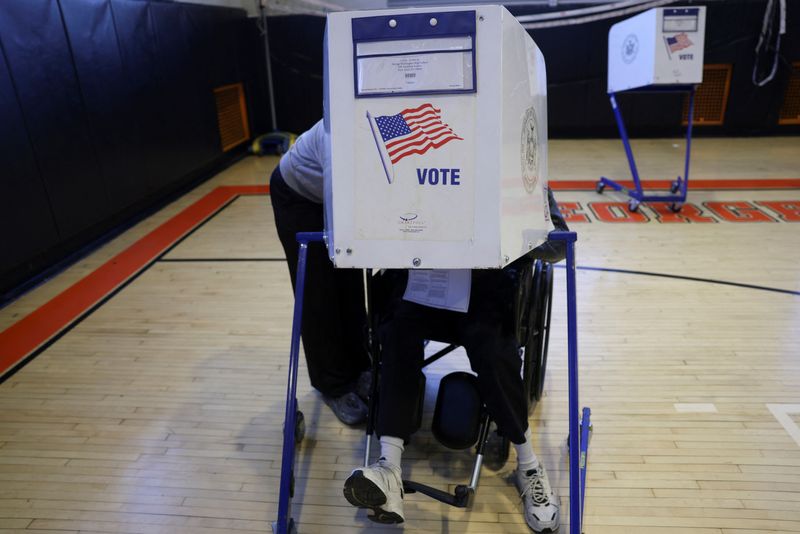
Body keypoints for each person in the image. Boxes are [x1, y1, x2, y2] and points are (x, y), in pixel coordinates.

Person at [343, 190, 569, 533]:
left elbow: (559, 245)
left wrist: (509, 230)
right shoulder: (419, 162)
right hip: (424, 284)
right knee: (397, 334)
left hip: (484, 291)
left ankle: (528, 465)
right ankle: (388, 466)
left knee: (494, 351)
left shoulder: (514, 164)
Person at [270, 120, 371, 425]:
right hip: (297, 197)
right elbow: (342, 204)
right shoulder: (336, 136)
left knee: (350, 284)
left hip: (326, 194)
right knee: (319, 295)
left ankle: (361, 366)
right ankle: (334, 385)